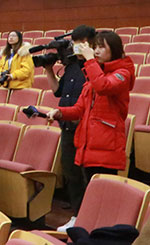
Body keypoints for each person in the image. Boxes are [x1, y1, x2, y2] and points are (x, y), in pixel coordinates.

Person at [47, 31, 135, 182]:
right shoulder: (94, 76)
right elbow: (80, 109)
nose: (96, 51)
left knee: (103, 191)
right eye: (95, 47)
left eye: (101, 47)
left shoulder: (123, 73)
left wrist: (89, 60)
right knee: (88, 188)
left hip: (106, 146)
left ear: (114, 49)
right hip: (89, 146)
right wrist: (60, 113)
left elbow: (103, 86)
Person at [43, 25, 97, 231]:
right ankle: (77, 215)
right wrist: (48, 70)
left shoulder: (96, 67)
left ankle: (91, 218)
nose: (77, 47)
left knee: (87, 175)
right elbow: (58, 91)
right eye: (75, 43)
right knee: (71, 173)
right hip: (67, 126)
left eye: (82, 42)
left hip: (87, 129)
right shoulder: (72, 66)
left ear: (91, 43)